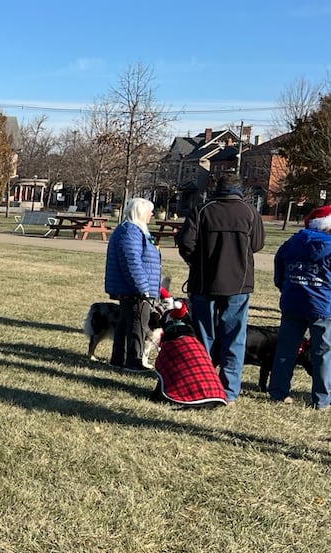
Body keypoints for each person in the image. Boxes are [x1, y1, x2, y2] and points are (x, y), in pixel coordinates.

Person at [175, 173, 265, 402]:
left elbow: (185, 242)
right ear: (240, 189)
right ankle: (230, 390)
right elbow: (257, 244)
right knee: (235, 337)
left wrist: (196, 262)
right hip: (239, 284)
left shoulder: (203, 210)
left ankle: (203, 385)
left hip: (205, 283)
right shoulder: (250, 213)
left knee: (204, 337)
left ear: (217, 188)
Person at [269, 204, 331, 409]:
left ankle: (278, 391)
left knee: (286, 349)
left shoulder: (291, 243)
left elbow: (279, 270)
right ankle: (321, 399)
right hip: (322, 305)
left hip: (293, 301)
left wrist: (285, 288)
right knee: (323, 352)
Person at [103, 197, 162, 370]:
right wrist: (142, 288)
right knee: (138, 324)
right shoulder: (131, 232)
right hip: (134, 290)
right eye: (149, 211)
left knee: (125, 322)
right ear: (141, 213)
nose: (152, 214)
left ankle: (118, 358)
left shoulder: (134, 230)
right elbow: (132, 262)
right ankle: (134, 361)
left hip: (132, 288)